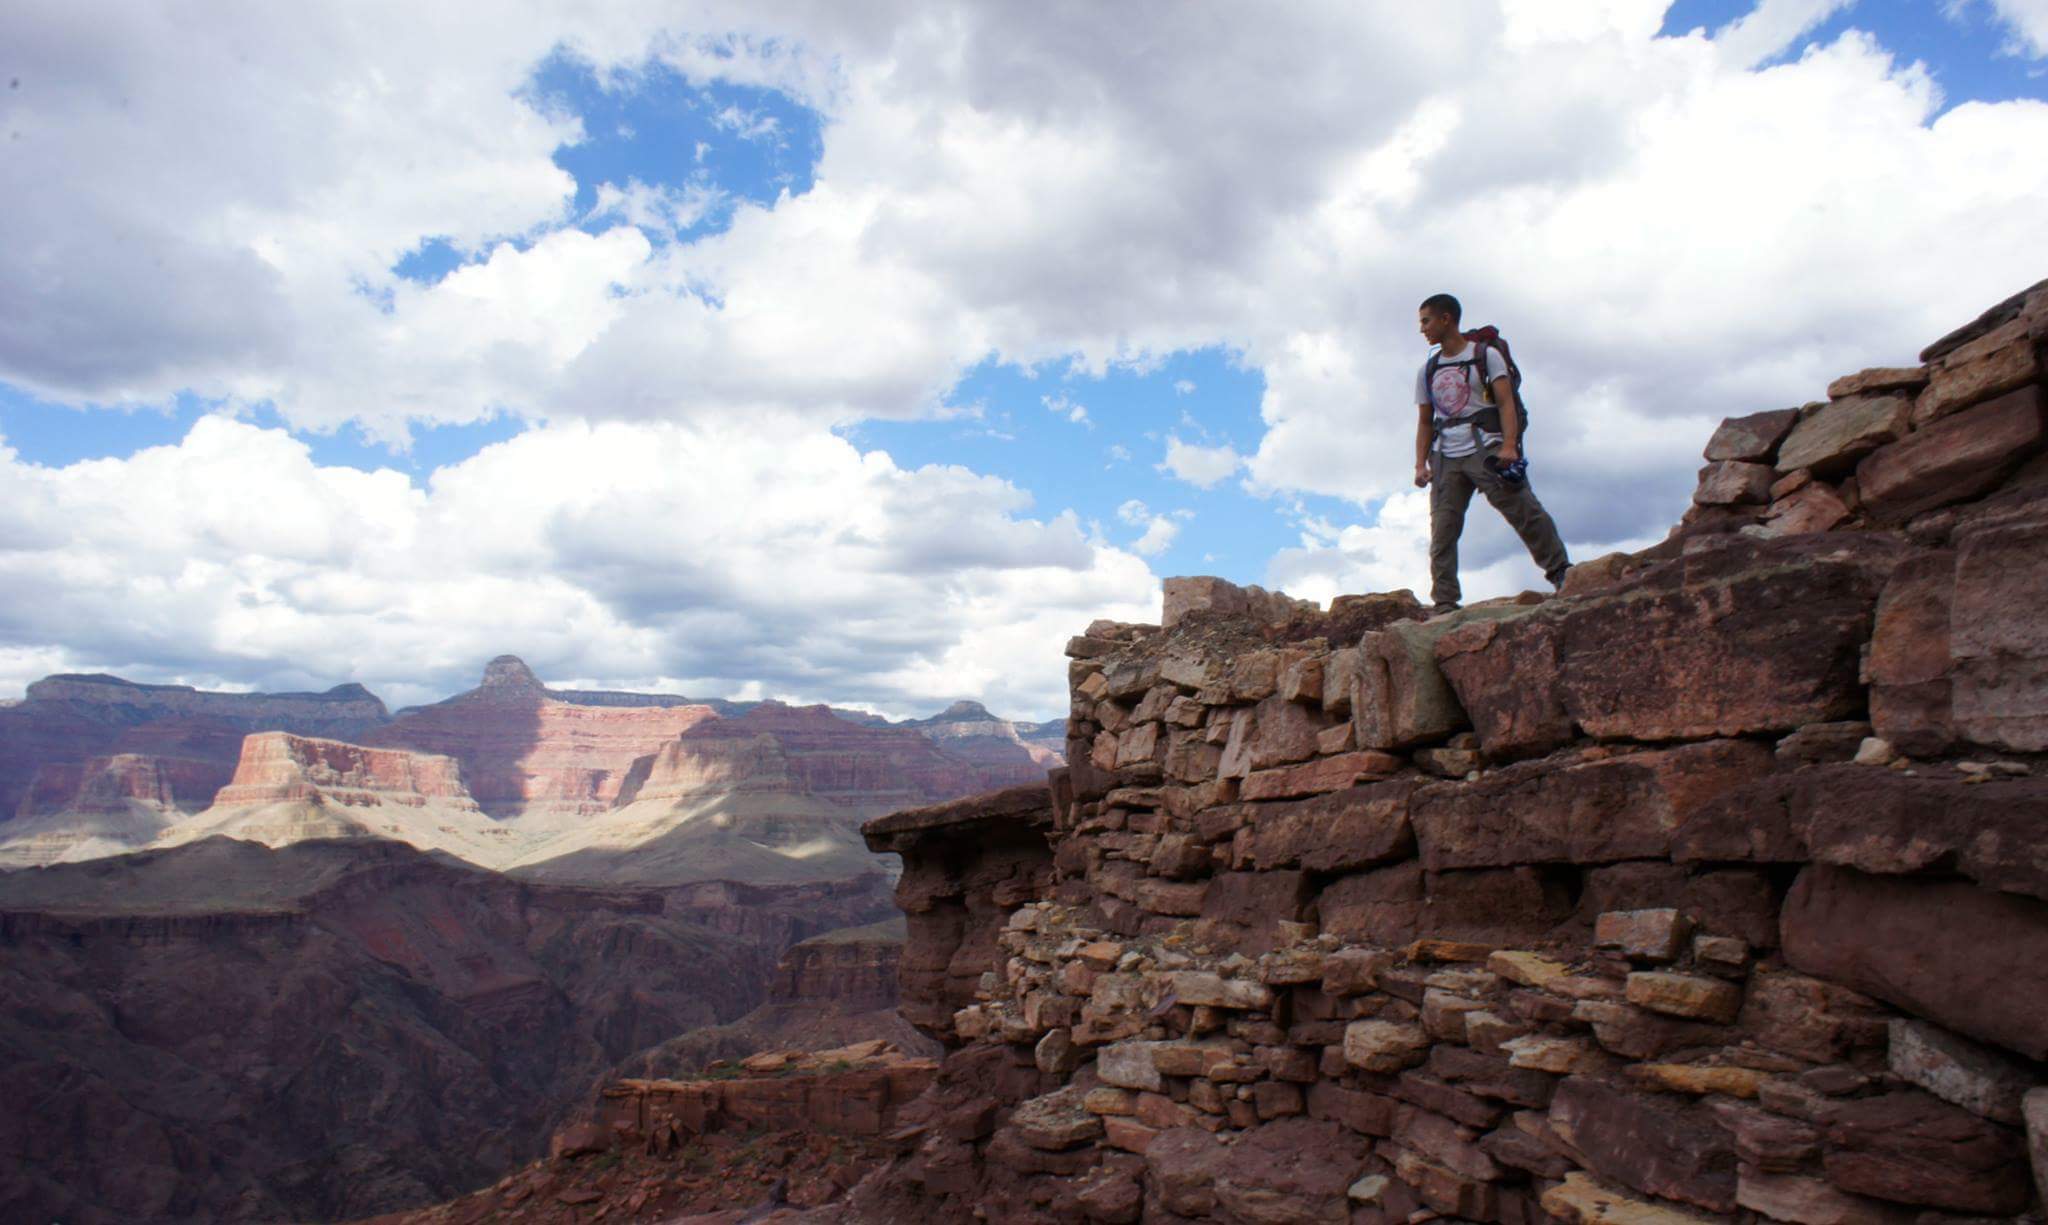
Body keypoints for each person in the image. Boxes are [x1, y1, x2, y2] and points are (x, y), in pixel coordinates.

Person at [1413, 292, 1570, 615]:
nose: (1422, 329)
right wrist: (1420, 464)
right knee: (1443, 531)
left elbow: (1506, 403)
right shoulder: (1428, 370)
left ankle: (1562, 574)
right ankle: (1444, 603)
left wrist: (1509, 445)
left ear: (1446, 319)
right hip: (1445, 456)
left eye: (1426, 320)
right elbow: (1425, 421)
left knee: (1524, 511)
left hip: (1487, 448)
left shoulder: (1485, 356)